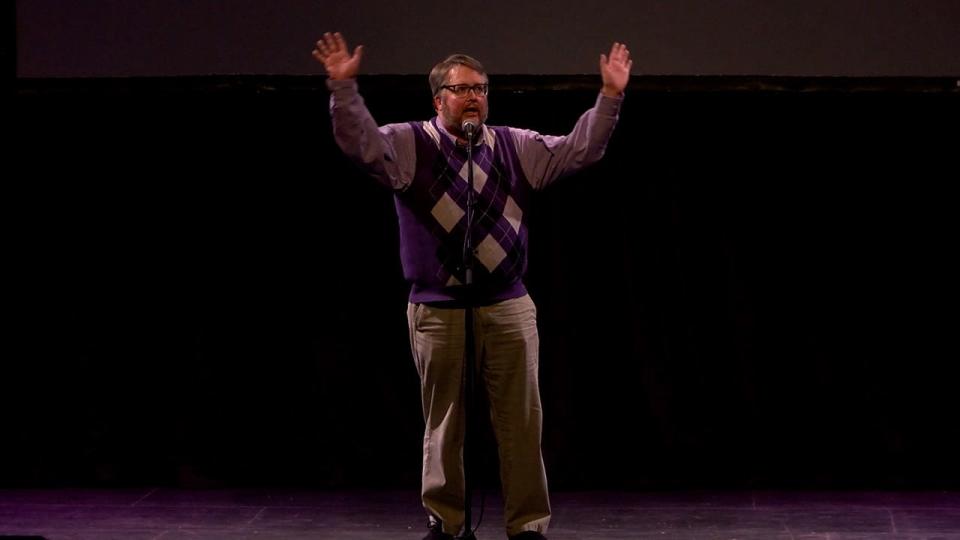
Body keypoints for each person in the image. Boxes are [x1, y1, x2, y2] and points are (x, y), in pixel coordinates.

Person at [312, 32, 631, 540]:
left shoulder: (515, 145)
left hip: (506, 305)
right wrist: (343, 89)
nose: (473, 97)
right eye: (461, 89)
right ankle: (447, 522)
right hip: (438, 310)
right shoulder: (408, 142)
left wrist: (610, 98)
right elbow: (361, 144)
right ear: (438, 100)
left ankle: (527, 526)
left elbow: (578, 151)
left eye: (480, 88)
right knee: (445, 425)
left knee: (521, 423)